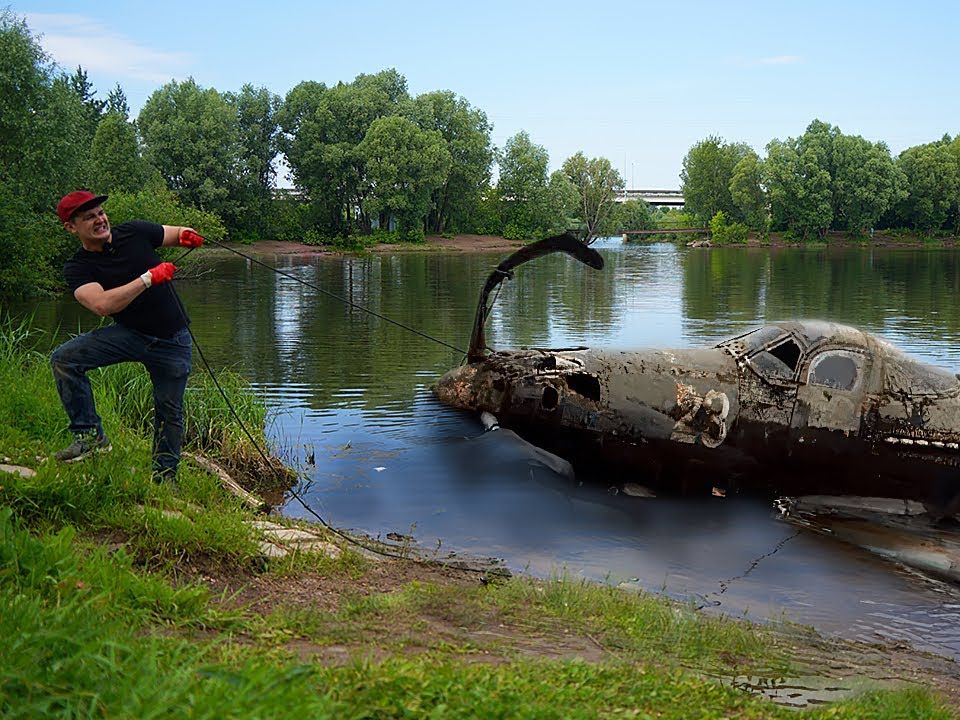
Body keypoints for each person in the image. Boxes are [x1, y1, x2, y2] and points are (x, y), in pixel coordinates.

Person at [50, 190, 204, 483]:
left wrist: (187, 235)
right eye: (89, 217)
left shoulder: (134, 231)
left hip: (173, 340)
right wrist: (148, 279)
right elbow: (101, 305)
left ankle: (164, 479)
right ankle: (90, 437)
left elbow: (174, 234)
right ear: (71, 227)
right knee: (64, 359)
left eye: (100, 213)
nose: (100, 220)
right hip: (130, 334)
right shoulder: (77, 267)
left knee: (169, 412)